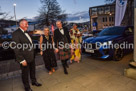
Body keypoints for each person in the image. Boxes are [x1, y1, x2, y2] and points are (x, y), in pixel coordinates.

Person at [12, 19, 42, 91]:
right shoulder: (16, 33)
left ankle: (34, 82)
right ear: (21, 24)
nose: (28, 26)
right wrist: (21, 60)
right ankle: (27, 87)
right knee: (25, 74)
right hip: (24, 58)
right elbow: (16, 48)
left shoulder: (26, 32)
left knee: (33, 70)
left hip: (31, 56)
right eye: (26, 24)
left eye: (27, 24)